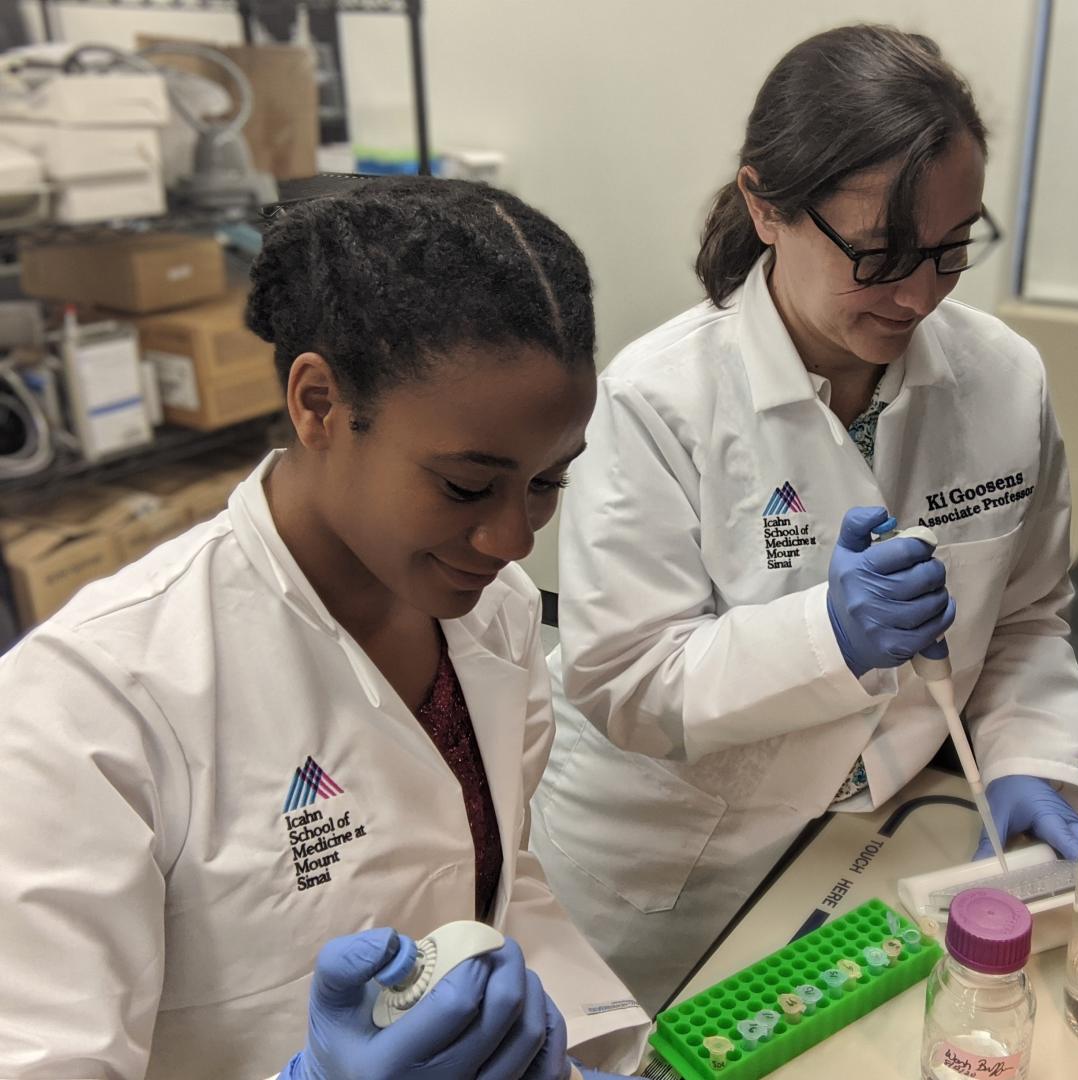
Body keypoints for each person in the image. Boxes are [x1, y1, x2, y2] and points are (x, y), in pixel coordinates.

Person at [0, 178, 644, 1079]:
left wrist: (570, 1044)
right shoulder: (92, 701)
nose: (512, 540)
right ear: (318, 405)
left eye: (547, 482)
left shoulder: (488, 611)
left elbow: (492, 883)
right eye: (466, 485)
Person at [530, 24, 1078, 1011]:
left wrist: (1032, 761)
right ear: (767, 205)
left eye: (952, 249)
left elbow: (1022, 616)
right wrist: (826, 635)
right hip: (663, 877)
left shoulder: (1002, 383)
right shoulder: (658, 399)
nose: (921, 294)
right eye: (883, 256)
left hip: (855, 846)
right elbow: (623, 676)